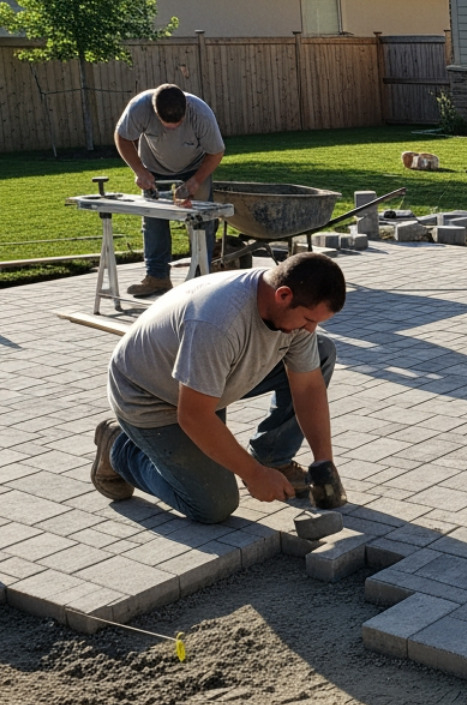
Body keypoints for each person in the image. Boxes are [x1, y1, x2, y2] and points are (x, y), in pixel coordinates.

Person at [91, 252, 345, 524]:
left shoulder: (288, 312)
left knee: (320, 353)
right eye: (308, 320)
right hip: (150, 397)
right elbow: (194, 416)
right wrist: (254, 475)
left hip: (206, 381)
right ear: (283, 295)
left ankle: (272, 458)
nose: (310, 329)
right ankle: (119, 448)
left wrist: (323, 463)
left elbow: (307, 388)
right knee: (214, 505)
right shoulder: (217, 321)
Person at [114, 83, 226, 298]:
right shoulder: (139, 107)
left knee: (202, 220)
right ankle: (157, 278)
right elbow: (123, 137)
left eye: (179, 123)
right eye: (167, 124)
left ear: (186, 107)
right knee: (153, 220)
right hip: (154, 169)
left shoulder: (201, 113)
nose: (173, 128)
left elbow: (216, 152)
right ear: (154, 111)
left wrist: (196, 181)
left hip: (195, 167)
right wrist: (139, 171)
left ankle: (202, 280)